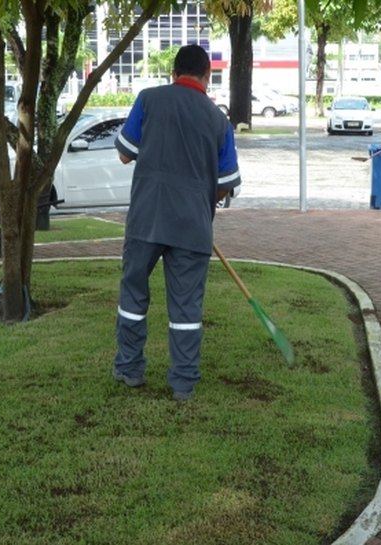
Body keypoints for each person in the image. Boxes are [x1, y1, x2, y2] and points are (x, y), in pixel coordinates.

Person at [112, 44, 241, 401]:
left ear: (174, 73)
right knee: (186, 309)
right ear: (207, 76)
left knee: (133, 295)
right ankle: (183, 383)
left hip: (146, 220)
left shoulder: (148, 99)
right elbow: (225, 187)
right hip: (192, 226)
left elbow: (125, 153)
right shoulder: (218, 120)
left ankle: (129, 369)